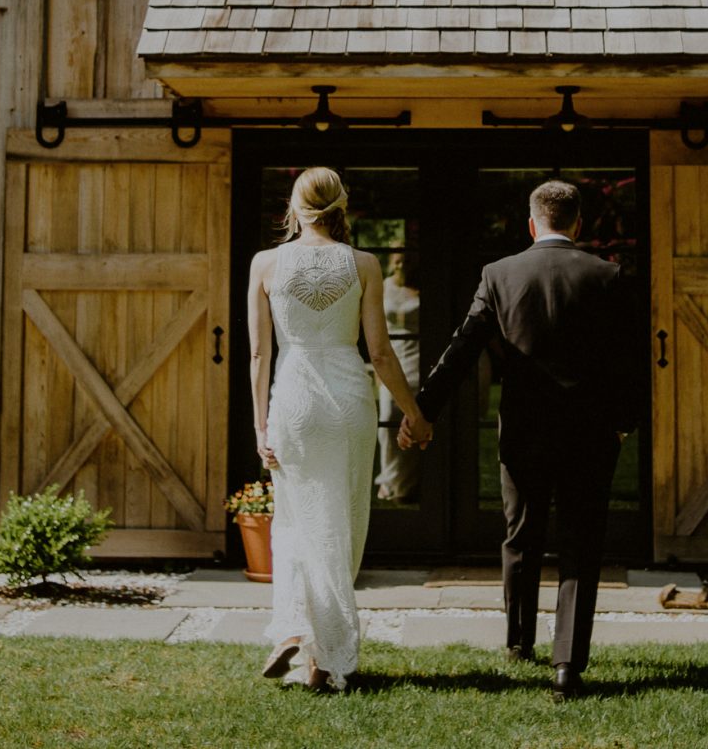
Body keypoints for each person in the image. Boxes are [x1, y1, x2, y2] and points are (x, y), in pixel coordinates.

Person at [403, 178, 640, 703]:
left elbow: (461, 349)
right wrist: (624, 420)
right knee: (581, 544)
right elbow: (629, 359)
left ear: (532, 224)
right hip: (590, 432)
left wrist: (422, 410)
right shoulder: (607, 275)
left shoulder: (500, 274)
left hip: (525, 428)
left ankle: (517, 642)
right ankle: (567, 667)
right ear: (578, 224)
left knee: (521, 536)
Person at [249, 166, 431, 693]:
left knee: (295, 522)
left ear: (294, 206)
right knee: (342, 523)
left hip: (295, 400)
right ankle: (322, 657)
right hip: (349, 399)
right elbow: (378, 351)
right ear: (339, 206)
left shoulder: (265, 263)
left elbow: (260, 353)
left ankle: (295, 630)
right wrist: (412, 413)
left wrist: (260, 423)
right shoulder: (365, 264)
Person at [374, 251, 423, 503]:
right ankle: (389, 480)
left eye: (405, 256)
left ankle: (408, 486)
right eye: (396, 256)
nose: (400, 261)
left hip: (418, 361)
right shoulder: (383, 287)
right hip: (392, 361)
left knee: (414, 424)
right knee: (387, 424)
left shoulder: (422, 287)